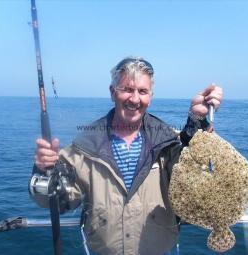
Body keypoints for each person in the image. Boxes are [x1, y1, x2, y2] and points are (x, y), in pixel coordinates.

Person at [31, 57, 223, 255]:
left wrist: (196, 120)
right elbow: (60, 202)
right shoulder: (83, 147)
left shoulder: (168, 142)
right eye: (127, 89)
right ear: (113, 92)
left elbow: (195, 175)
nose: (134, 99)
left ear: (151, 96)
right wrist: (45, 171)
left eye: (142, 91)